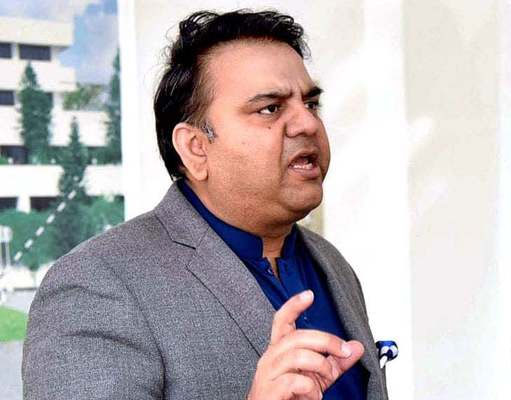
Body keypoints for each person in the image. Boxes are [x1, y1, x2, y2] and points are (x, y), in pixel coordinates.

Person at [22, 10, 388, 400]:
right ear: (196, 148)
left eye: (311, 104)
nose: (308, 124)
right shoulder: (97, 285)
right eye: (270, 108)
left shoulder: (331, 264)